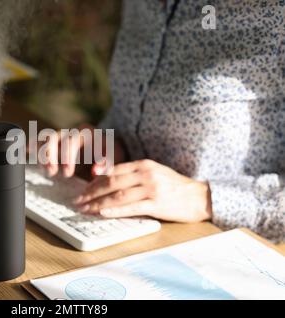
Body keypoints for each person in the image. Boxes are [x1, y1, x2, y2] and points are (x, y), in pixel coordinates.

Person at [36, 0, 285, 242]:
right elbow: (138, 108)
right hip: (124, 230)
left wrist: (203, 198)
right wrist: (111, 144)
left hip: (222, 252)